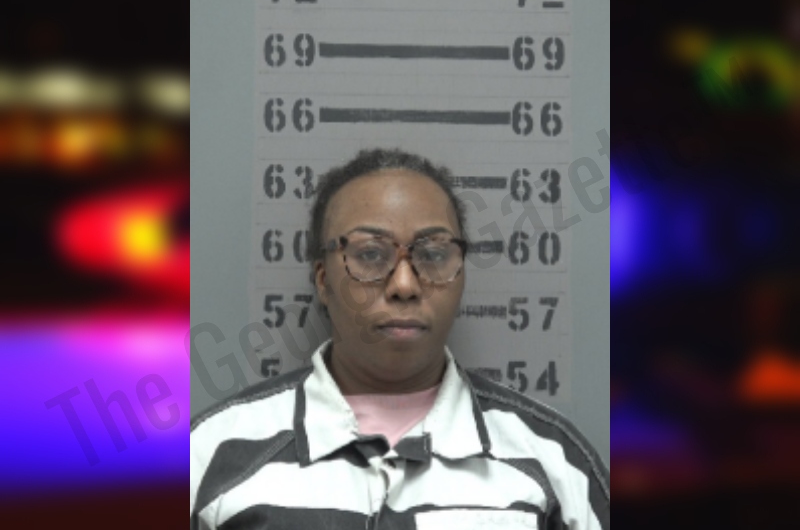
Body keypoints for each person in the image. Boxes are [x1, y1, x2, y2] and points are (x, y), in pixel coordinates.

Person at [190, 148, 609, 530]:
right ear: (322, 279)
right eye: (370, 254)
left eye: (433, 254)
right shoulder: (210, 456)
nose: (405, 285)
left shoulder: (554, 461)